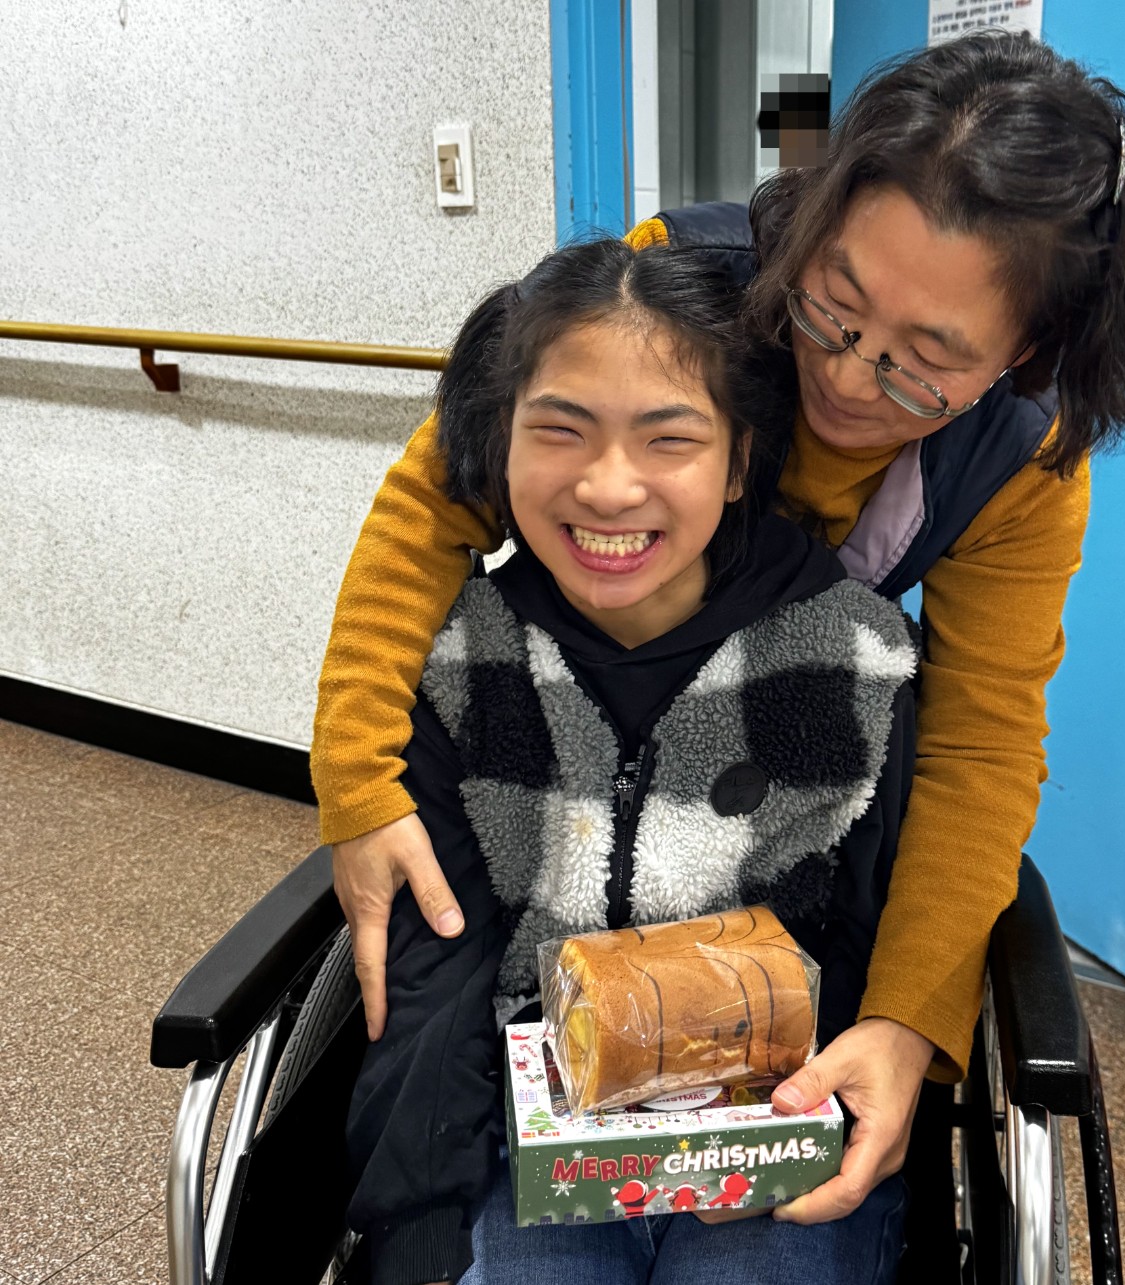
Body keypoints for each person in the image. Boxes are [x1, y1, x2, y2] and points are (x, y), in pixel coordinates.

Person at [316, 30, 1125, 1228]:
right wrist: (355, 780)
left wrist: (906, 1022)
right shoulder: (680, 284)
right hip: (578, 767)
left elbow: (981, 748)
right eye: (835, 305)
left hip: (772, 819)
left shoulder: (1018, 461)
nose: (853, 378)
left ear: (1022, 354)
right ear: (816, 222)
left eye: (928, 362)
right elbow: (436, 501)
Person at [345, 236, 917, 1285]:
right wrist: (416, 1221)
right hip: (531, 1119)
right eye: (560, 430)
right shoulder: (462, 663)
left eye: (669, 439)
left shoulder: (855, 661)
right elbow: (440, 967)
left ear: (740, 461)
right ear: (497, 444)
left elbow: (880, 940)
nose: (609, 487)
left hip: (780, 1122)